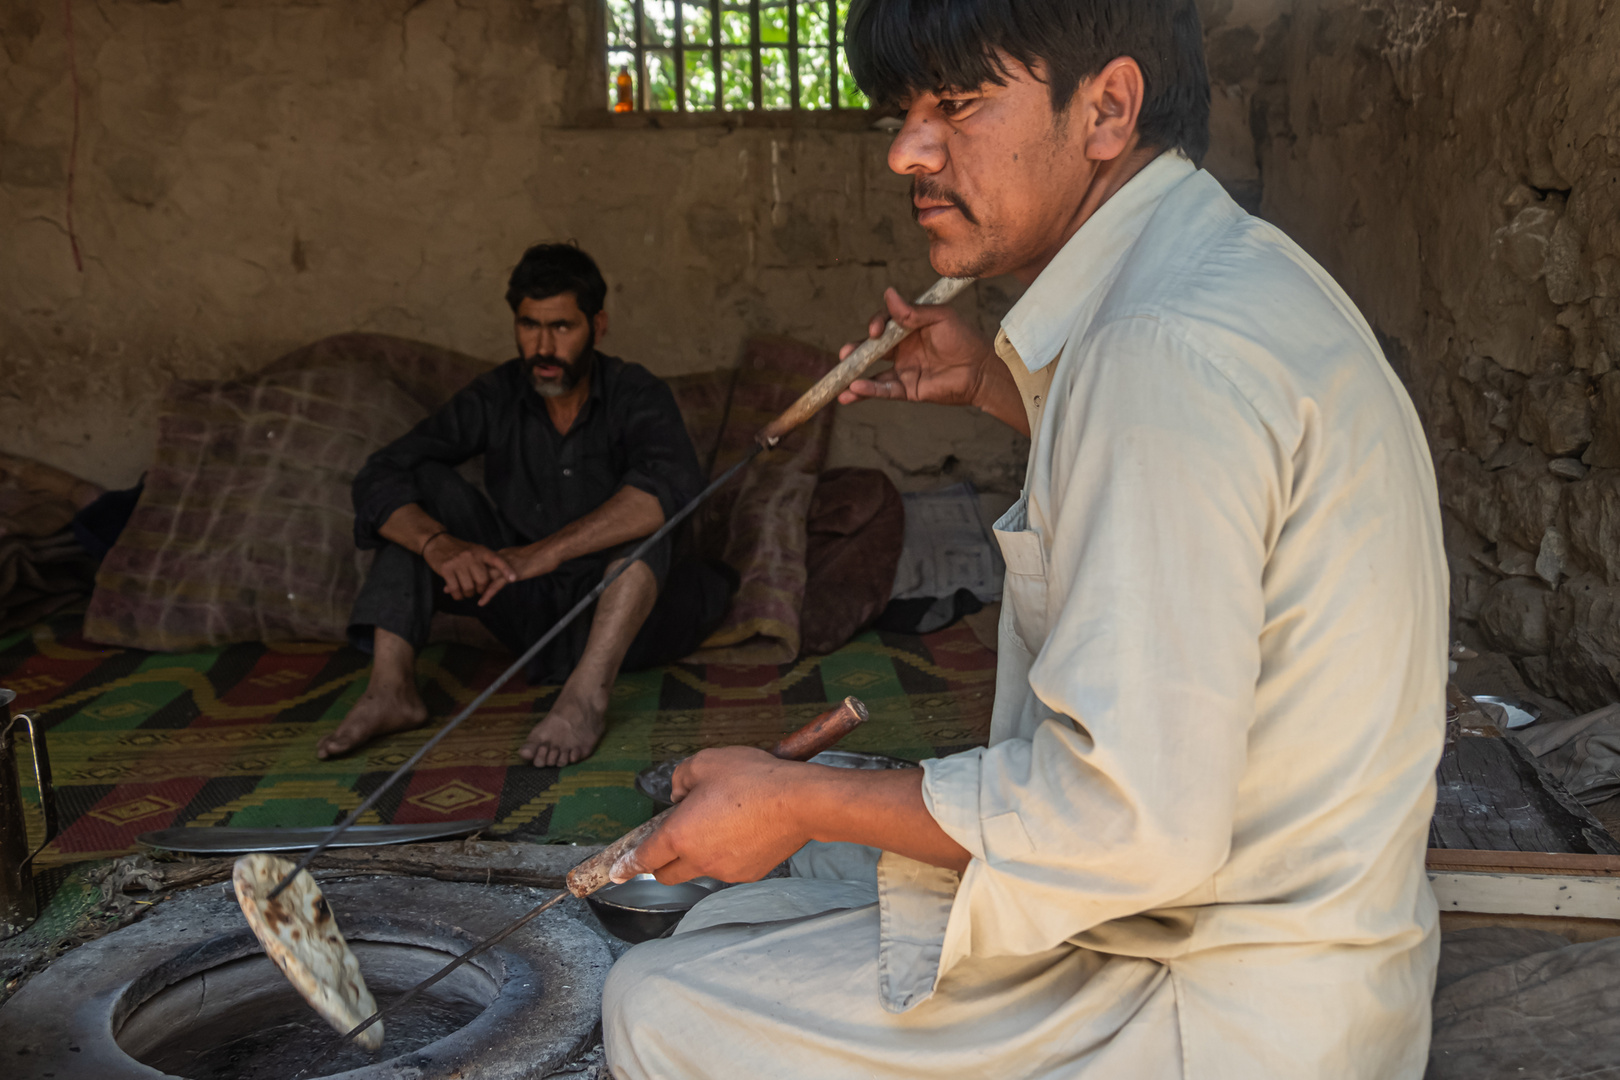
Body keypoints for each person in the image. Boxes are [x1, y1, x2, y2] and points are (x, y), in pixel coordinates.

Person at [600, 0, 1447, 1077]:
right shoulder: (1219, 272)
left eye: (957, 104)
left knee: (658, 1001)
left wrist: (801, 794)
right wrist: (1008, 391)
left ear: (1107, 108)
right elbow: (1196, 502)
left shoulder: (1157, 354)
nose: (909, 151)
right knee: (757, 897)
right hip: (1304, 956)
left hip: (1216, 1002)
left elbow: (1127, 824)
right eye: (902, 113)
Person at [321, 244, 732, 767]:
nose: (543, 346)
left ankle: (584, 699)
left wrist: (544, 552)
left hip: (631, 619)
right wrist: (439, 545)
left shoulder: (635, 393)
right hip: (527, 609)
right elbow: (382, 472)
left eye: (561, 327)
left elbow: (666, 493)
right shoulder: (498, 395)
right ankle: (390, 690)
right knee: (418, 490)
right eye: (529, 325)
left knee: (644, 525)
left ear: (598, 325)